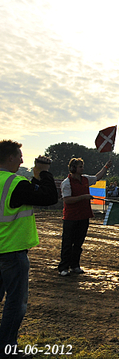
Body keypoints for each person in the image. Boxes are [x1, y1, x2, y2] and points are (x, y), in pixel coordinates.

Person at [0, 140, 58, 357]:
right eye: (20, 156)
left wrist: (35, 176)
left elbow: (29, 194)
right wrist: (44, 173)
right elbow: (49, 197)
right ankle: (7, 349)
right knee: (15, 304)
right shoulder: (14, 183)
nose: (22, 160)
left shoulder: (12, 184)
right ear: (10, 158)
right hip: (12, 253)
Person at [57, 157, 111, 276]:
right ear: (73, 168)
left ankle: (75, 265)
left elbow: (97, 177)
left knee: (78, 243)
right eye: (80, 166)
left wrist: (106, 167)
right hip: (71, 217)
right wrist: (84, 197)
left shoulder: (85, 179)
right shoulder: (66, 183)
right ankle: (63, 267)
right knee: (67, 243)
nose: (82, 168)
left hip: (83, 216)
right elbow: (67, 200)